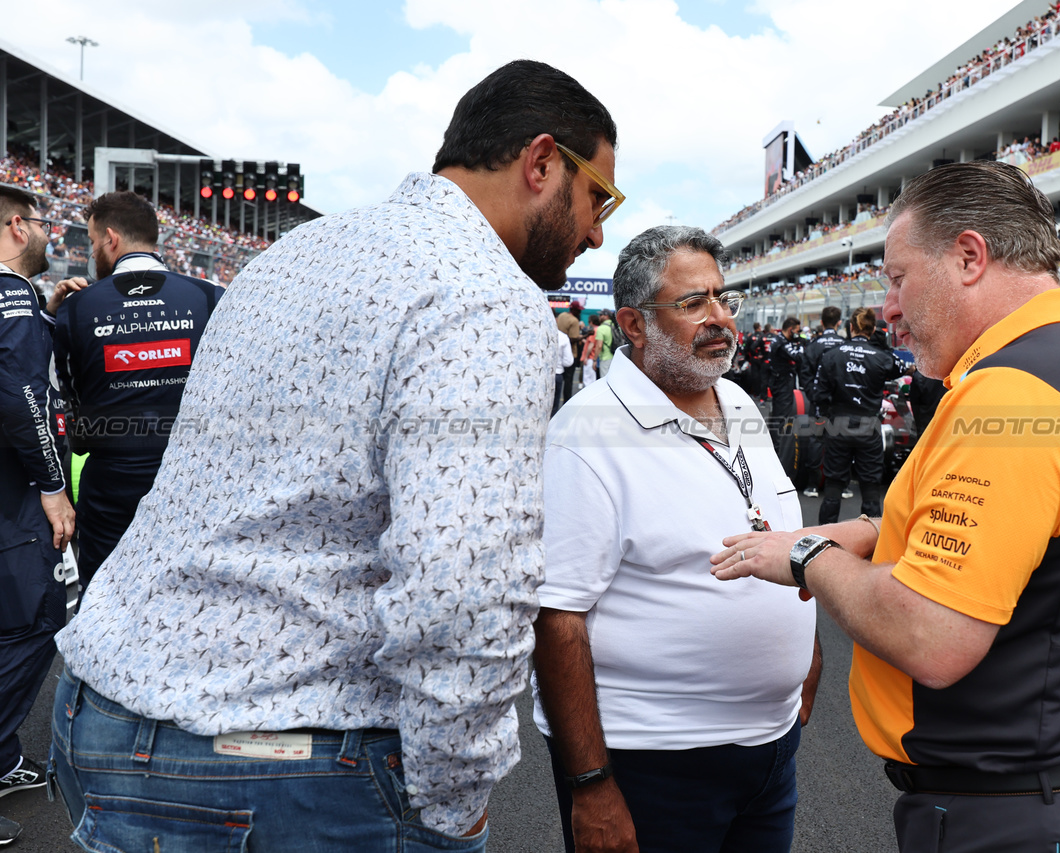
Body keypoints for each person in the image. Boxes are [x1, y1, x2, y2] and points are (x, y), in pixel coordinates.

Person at [50, 59, 619, 852]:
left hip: (100, 710)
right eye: (601, 197)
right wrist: (456, 802)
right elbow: (462, 589)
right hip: (278, 760)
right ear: (543, 162)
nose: (597, 230)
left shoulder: (295, 253)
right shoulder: (484, 294)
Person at [712, 161, 1060, 853]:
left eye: (898, 278)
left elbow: (932, 635)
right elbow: (1037, 532)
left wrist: (808, 555)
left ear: (968, 256)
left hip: (1019, 811)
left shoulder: (1013, 391)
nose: (888, 306)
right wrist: (876, 529)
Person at [533, 226, 821, 853]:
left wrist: (807, 648)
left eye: (723, 298)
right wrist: (591, 784)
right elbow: (557, 617)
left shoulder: (739, 401)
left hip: (770, 746)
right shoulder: (585, 436)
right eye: (692, 303)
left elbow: (772, 523)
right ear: (633, 325)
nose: (718, 318)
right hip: (651, 762)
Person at [46, 191, 223, 589]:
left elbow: (72, 404)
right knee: (192, 592)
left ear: (111, 238)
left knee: (108, 593)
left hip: (113, 482)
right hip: (194, 479)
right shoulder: (209, 297)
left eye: (92, 243)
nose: (93, 254)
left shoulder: (76, 307)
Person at [0, 187, 74, 847]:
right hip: (14, 495)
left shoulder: (24, 305)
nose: (54, 235)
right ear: (17, 225)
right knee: (35, 619)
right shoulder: (12, 297)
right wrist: (53, 484)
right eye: (47, 224)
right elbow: (23, 393)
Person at [812, 307, 912, 524]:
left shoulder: (831, 355)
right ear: (873, 329)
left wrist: (826, 417)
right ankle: (873, 546)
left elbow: (819, 394)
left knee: (834, 487)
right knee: (870, 488)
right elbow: (903, 368)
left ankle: (824, 539)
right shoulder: (882, 357)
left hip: (838, 426)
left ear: (850, 327)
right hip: (869, 428)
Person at [799, 306, 844, 497]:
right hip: (841, 402)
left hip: (818, 402)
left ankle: (812, 486)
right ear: (839, 323)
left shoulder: (813, 345)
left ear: (822, 323)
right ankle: (842, 486)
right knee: (840, 441)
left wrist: (813, 395)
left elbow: (804, 374)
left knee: (816, 441)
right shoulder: (845, 344)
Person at [766, 317, 804, 454]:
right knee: (781, 417)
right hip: (781, 383)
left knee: (778, 415)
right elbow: (798, 357)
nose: (798, 334)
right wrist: (801, 345)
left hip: (779, 381)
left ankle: (776, 446)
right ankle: (777, 450)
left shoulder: (780, 339)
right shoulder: (782, 342)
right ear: (790, 330)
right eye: (797, 331)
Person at [558, 299, 585, 405]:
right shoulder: (574, 321)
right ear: (575, 311)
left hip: (559, 351)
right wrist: (585, 336)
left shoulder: (562, 316)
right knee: (568, 381)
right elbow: (572, 339)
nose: (580, 313)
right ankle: (567, 403)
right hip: (570, 353)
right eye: (578, 311)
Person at [596, 309, 615, 377]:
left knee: (605, 380)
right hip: (616, 357)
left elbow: (599, 346)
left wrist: (594, 360)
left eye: (601, 315)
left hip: (605, 358)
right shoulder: (616, 326)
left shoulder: (601, 328)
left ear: (606, 316)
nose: (599, 317)